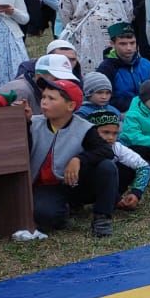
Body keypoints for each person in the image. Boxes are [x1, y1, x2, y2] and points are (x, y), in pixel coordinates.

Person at [29, 78, 120, 236]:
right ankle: (66, 210)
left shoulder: (84, 127)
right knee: (45, 216)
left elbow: (106, 151)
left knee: (107, 166)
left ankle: (102, 217)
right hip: (47, 187)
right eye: (43, 97)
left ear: (70, 106)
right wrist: (22, 120)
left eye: (51, 98)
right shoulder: (33, 123)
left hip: (74, 183)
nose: (44, 102)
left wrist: (78, 159)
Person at [87, 109, 150, 216]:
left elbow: (144, 167)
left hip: (107, 187)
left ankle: (112, 200)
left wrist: (136, 193)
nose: (111, 137)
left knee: (127, 167)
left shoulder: (116, 147)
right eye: (105, 132)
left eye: (115, 133)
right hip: (82, 188)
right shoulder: (79, 148)